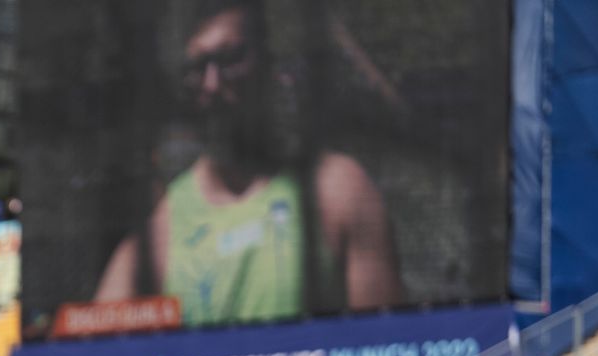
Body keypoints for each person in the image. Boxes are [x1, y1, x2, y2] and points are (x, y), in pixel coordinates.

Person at [93, 0, 404, 326]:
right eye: (198, 68)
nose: (212, 84)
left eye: (230, 60)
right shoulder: (162, 232)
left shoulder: (338, 190)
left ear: (268, 64)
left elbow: (387, 346)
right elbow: (88, 348)